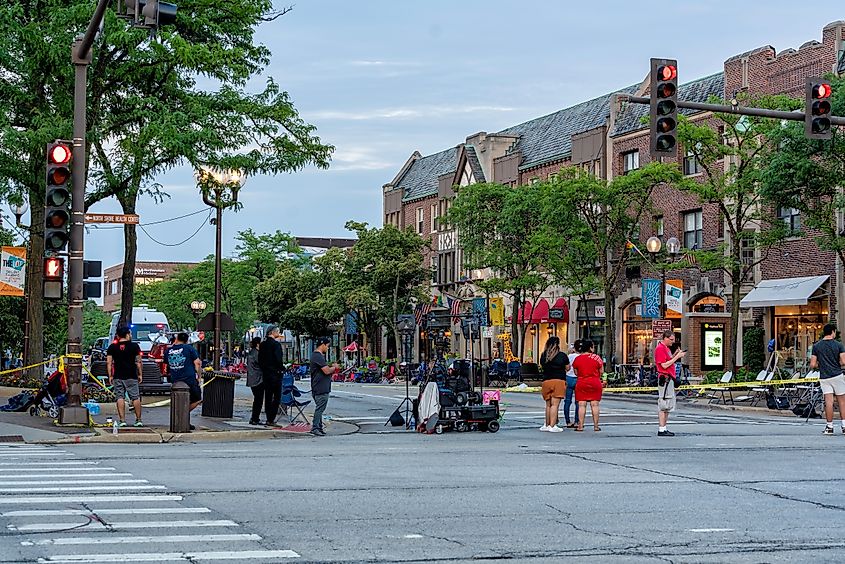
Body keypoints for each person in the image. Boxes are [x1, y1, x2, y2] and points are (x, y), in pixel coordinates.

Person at [809, 323, 845, 435]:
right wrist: (837, 363)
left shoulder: (816, 346)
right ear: (833, 332)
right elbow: (843, 362)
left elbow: (812, 364)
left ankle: (829, 427)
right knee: (842, 401)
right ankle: (844, 426)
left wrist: (821, 364)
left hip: (824, 377)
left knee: (828, 402)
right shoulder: (839, 345)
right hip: (837, 375)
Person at [106, 326, 143, 427]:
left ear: (118, 336)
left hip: (118, 375)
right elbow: (138, 362)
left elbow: (109, 363)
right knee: (135, 397)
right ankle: (138, 420)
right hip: (131, 375)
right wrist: (140, 374)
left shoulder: (112, 347)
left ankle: (122, 421)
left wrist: (110, 375)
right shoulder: (134, 346)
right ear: (127, 334)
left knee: (120, 397)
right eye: (129, 334)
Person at [164, 332, 202, 429]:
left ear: (176, 338)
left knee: (179, 400)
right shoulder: (189, 348)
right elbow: (197, 363)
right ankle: (182, 415)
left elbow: (166, 363)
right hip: (189, 379)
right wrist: (199, 377)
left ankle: (181, 416)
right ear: (187, 340)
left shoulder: (168, 350)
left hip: (175, 380)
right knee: (197, 399)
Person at [654, 329, 686, 437]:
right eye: (671, 339)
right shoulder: (660, 349)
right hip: (665, 379)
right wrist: (677, 357)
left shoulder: (666, 348)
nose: (673, 341)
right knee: (664, 404)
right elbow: (664, 365)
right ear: (665, 338)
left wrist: (675, 354)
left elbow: (668, 360)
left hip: (669, 378)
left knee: (668, 404)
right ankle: (661, 429)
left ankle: (664, 428)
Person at [571, 340, 603, 432]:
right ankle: (596, 426)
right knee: (595, 405)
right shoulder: (596, 358)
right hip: (595, 382)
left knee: (582, 405)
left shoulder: (578, 359)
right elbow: (601, 371)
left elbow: (576, 372)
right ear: (590, 348)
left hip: (582, 382)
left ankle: (580, 426)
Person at [539, 336, 570, 432]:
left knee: (548, 405)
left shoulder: (543, 355)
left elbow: (542, 366)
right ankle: (553, 426)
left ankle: (546, 424)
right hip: (558, 381)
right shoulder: (562, 355)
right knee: (555, 405)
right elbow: (568, 367)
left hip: (546, 381)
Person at [309, 337, 339, 436]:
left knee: (320, 408)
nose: (328, 348)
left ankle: (319, 427)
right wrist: (334, 368)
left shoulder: (317, 356)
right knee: (320, 408)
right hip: (320, 387)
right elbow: (326, 371)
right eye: (327, 346)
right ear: (323, 345)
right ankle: (315, 427)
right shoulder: (318, 356)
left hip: (320, 386)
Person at [258, 326, 284, 426]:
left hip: (266, 374)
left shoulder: (263, 345)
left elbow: (260, 360)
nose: (278, 333)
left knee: (268, 397)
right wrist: (281, 368)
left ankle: (268, 417)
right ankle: (271, 419)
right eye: (277, 331)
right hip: (275, 374)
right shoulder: (276, 345)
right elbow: (278, 359)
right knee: (276, 398)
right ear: (272, 332)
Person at [563, 340, 581, 428]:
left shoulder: (569, 356)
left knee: (567, 401)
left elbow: (565, 367)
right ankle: (577, 421)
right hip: (578, 378)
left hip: (568, 378)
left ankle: (568, 421)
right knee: (578, 401)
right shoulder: (581, 357)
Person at [246, 337, 264, 425]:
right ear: (258, 344)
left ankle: (254, 418)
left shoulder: (251, 352)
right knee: (258, 399)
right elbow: (262, 364)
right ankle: (255, 418)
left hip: (252, 378)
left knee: (257, 399)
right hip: (258, 379)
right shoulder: (257, 354)